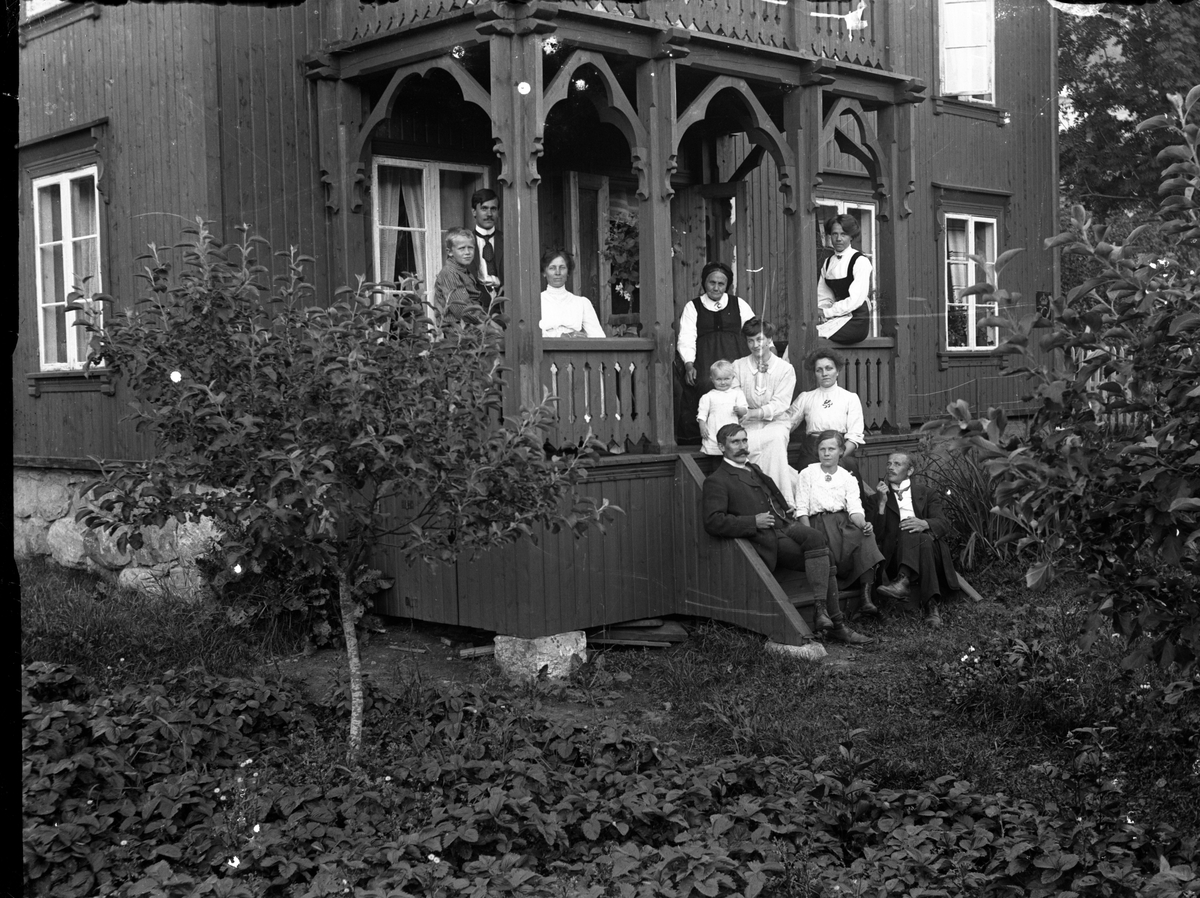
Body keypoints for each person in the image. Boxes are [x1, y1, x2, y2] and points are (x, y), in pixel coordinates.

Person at [702, 424, 872, 645]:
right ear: (721, 447)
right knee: (825, 555)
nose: (742, 446)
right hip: (766, 536)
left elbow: (771, 495)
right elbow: (713, 521)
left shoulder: (752, 468)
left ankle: (821, 612)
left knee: (816, 539)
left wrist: (784, 508)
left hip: (784, 523)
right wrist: (753, 522)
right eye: (735, 442)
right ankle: (836, 624)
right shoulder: (717, 479)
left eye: (744, 441)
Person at [792, 431, 884, 616]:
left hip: (843, 522)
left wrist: (863, 523)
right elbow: (801, 508)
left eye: (831, 449)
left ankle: (866, 598)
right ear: (817, 451)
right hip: (817, 522)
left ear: (841, 451)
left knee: (866, 535)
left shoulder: (847, 477)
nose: (826, 453)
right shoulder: (807, 473)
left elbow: (855, 509)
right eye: (822, 449)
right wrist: (808, 533)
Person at [868, 451, 961, 627]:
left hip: (933, 553)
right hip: (897, 554)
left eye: (897, 464)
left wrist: (924, 523)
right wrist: (881, 504)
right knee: (918, 538)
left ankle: (903, 582)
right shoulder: (876, 499)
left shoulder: (927, 493)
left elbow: (943, 523)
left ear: (910, 471)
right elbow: (876, 536)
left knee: (919, 534)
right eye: (889, 464)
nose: (890, 468)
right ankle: (931, 607)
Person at [676, 261, 756, 444]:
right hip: (705, 360)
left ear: (727, 286)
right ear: (704, 283)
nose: (716, 288)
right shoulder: (693, 307)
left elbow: (754, 329)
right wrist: (689, 364)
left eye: (721, 284)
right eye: (712, 283)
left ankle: (741, 436)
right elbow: (686, 338)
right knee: (705, 385)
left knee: (741, 388)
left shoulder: (738, 304)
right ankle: (708, 439)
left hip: (736, 357)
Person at [730, 319, 797, 503]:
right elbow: (734, 394)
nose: (755, 345)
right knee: (744, 443)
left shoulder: (785, 369)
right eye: (750, 341)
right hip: (747, 423)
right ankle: (758, 501)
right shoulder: (738, 366)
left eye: (759, 339)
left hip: (776, 422)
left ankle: (782, 502)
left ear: (769, 340)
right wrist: (746, 412)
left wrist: (755, 413)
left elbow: (780, 404)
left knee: (774, 440)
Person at [787, 347, 866, 475]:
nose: (824, 373)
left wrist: (838, 456)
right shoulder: (806, 397)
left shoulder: (850, 398)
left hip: (840, 450)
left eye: (829, 368)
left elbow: (855, 436)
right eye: (819, 370)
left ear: (837, 371)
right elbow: (787, 423)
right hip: (812, 450)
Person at [817, 214, 872, 345]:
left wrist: (827, 312)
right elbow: (823, 295)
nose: (838, 239)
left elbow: (855, 300)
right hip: (836, 318)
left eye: (843, 234)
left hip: (856, 321)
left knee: (812, 336)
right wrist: (821, 313)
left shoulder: (860, 261)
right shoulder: (828, 262)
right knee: (807, 334)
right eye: (834, 234)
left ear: (851, 236)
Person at [539, 249, 605, 338]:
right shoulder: (536, 302)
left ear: (568, 272)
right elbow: (530, 334)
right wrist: (560, 336)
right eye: (552, 268)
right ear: (544, 272)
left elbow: (598, 337)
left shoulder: (581, 303)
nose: (557, 273)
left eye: (562, 267)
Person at [697, 360, 749, 456]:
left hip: (731, 429)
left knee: (732, 451)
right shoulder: (708, 396)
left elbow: (745, 410)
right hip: (714, 430)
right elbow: (702, 414)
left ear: (733, 378)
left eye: (726, 379)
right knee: (716, 454)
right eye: (719, 379)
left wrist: (740, 410)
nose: (723, 382)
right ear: (712, 379)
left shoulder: (737, 393)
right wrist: (702, 426)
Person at [432, 227, 485, 322]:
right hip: (458, 331)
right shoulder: (450, 273)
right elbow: (463, 311)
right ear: (450, 252)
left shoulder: (463, 271)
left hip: (472, 326)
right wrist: (489, 322)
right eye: (461, 248)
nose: (467, 252)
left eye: (470, 248)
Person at [470, 188, 503, 297]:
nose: (489, 214)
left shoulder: (507, 241)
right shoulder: (463, 242)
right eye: (484, 208)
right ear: (474, 211)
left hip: (504, 300)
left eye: (493, 209)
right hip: (475, 302)